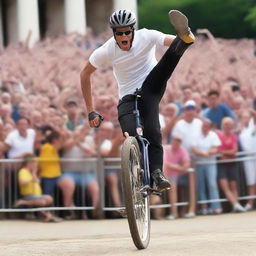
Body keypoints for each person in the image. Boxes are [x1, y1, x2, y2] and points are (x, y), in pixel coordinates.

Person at [80, 9, 195, 192]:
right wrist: (90, 110)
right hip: (127, 96)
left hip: (151, 86)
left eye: (127, 32)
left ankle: (157, 172)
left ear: (133, 30)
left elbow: (168, 42)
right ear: (114, 34)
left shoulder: (146, 35)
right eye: (119, 33)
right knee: (131, 133)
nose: (124, 36)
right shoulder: (107, 49)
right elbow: (85, 74)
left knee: (152, 128)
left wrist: (178, 41)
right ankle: (139, 177)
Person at [15, 154, 62, 222]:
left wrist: (34, 173)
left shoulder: (32, 172)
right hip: (28, 194)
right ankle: (48, 216)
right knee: (42, 202)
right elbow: (22, 182)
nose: (36, 164)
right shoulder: (23, 171)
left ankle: (24, 203)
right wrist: (31, 180)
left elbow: (37, 181)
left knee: (49, 198)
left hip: (37, 195)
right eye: (34, 162)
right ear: (29, 163)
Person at [191, 118, 222, 215]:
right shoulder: (196, 135)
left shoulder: (213, 135)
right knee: (201, 185)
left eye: (207, 126)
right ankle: (204, 207)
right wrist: (203, 153)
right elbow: (194, 149)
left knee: (212, 184)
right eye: (204, 126)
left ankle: (216, 207)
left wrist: (206, 153)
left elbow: (215, 149)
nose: (205, 127)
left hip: (210, 163)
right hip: (199, 164)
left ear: (209, 127)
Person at [216, 117, 246, 212]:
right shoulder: (218, 136)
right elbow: (218, 151)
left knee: (233, 186)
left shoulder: (233, 136)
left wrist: (225, 154)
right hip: (222, 165)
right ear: (222, 125)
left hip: (231, 164)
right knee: (225, 187)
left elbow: (234, 150)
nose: (228, 126)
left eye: (229, 124)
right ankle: (236, 204)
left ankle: (235, 206)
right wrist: (229, 153)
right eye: (226, 124)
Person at [163, 134, 190, 220]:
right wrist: (178, 168)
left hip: (175, 175)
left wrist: (178, 168)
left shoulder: (182, 150)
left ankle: (175, 213)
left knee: (174, 189)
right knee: (172, 188)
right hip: (165, 175)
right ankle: (173, 212)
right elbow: (165, 164)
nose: (176, 142)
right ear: (172, 141)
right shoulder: (166, 149)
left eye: (178, 141)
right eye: (175, 140)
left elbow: (187, 165)